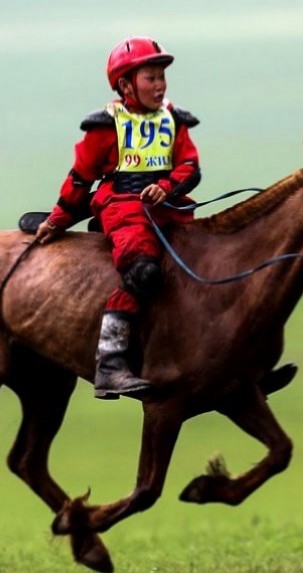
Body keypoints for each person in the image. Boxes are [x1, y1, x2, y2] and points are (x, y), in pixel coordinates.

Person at [36, 35, 201, 399]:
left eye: (161, 77)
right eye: (151, 77)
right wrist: (58, 219)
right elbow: (81, 178)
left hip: (170, 206)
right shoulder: (104, 126)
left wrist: (167, 186)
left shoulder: (174, 119)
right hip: (123, 208)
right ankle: (110, 363)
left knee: (206, 262)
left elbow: (190, 165)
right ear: (125, 84)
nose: (159, 85)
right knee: (143, 272)